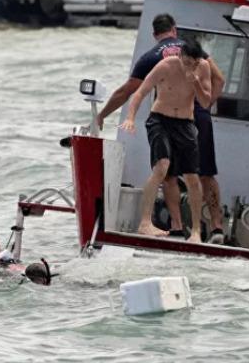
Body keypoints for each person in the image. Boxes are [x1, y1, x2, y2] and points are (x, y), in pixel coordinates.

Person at [97, 14, 227, 243]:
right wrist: (204, 112)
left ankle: (186, 227)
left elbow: (126, 91)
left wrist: (102, 114)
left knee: (187, 175)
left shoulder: (160, 56)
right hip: (171, 118)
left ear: (154, 35)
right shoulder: (167, 61)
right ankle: (212, 227)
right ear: (174, 30)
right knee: (171, 168)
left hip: (187, 120)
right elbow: (221, 80)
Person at [121, 40, 212, 243]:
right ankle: (145, 223)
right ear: (180, 56)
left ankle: (196, 231)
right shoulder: (166, 66)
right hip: (160, 119)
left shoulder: (203, 68)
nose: (190, 66)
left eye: (194, 63)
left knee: (192, 177)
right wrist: (130, 117)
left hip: (185, 123)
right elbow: (141, 92)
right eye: (187, 62)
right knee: (162, 167)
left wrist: (195, 81)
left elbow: (206, 102)